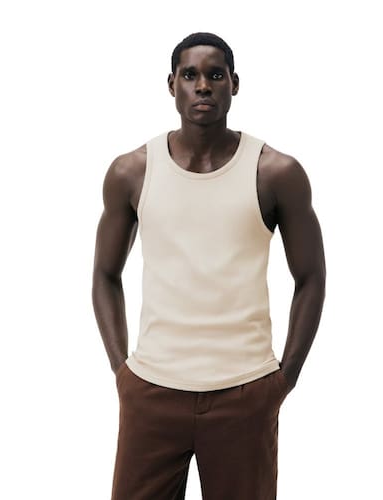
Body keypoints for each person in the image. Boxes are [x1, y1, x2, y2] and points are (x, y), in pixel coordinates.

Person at [92, 32, 326, 500]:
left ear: (234, 84)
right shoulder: (132, 172)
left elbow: (311, 278)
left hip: (245, 392)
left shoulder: (275, 172)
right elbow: (104, 275)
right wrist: (123, 372)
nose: (203, 86)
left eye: (215, 75)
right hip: (152, 391)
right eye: (190, 75)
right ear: (171, 85)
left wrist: (284, 380)